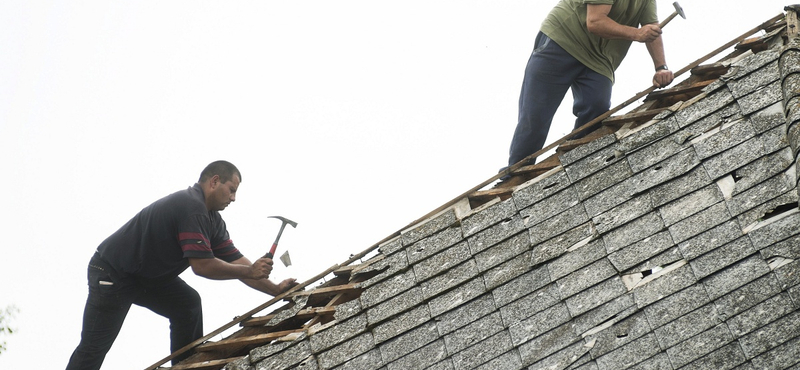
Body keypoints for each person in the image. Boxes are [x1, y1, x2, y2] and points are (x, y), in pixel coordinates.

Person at [66, 160, 298, 370]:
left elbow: (237, 262)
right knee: (94, 347)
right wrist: (249, 270)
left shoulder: (213, 222)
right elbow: (203, 266)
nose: (234, 198)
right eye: (232, 190)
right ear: (215, 181)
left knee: (187, 304)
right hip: (112, 272)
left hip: (146, 278)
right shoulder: (191, 207)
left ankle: (186, 366)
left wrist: (274, 289)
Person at [507, 0, 675, 167]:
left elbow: (651, 27)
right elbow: (595, 22)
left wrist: (661, 67)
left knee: (597, 107)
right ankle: (514, 173)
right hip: (562, 41)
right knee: (536, 115)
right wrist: (636, 33)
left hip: (599, 58)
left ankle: (570, 160)